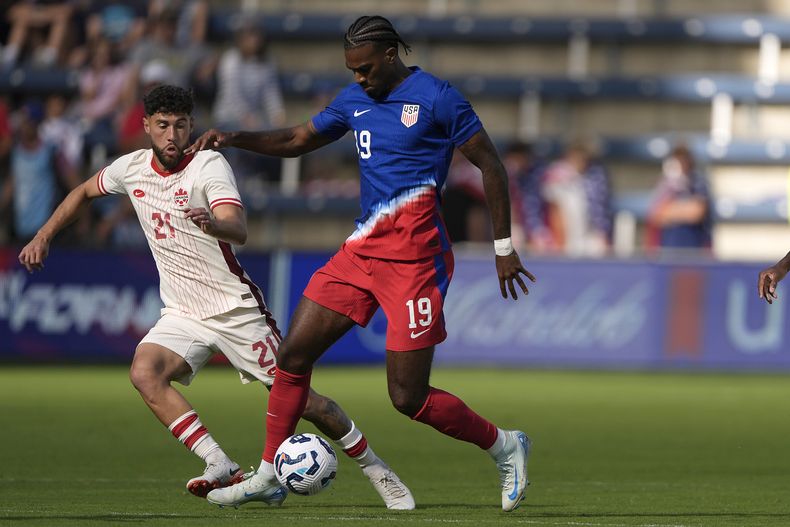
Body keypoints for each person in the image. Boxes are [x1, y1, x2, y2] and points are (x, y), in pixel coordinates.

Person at [188, 15, 536, 512]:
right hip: (361, 252)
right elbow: (297, 140)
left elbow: (491, 165)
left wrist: (503, 248)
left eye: (366, 68)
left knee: (407, 398)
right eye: (352, 70)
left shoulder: (438, 97)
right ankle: (268, 474)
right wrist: (236, 137)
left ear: (391, 55)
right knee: (292, 358)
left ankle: (505, 445)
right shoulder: (354, 100)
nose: (359, 78)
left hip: (416, 264)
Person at [17, 85, 414, 510]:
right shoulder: (129, 168)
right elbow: (82, 191)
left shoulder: (208, 165)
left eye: (181, 125)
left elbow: (237, 228)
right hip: (183, 311)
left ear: (191, 125)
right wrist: (43, 235)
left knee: (308, 402)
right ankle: (218, 462)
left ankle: (377, 469)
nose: (173, 135)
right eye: (164, 125)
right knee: (145, 371)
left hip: (234, 310)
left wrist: (212, 224)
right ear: (147, 126)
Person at [645, 144, 712, 251]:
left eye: (683, 161)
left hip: (693, 246)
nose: (681, 165)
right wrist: (682, 210)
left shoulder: (698, 181)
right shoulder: (666, 184)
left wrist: (670, 211)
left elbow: (696, 213)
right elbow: (656, 214)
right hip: (669, 246)